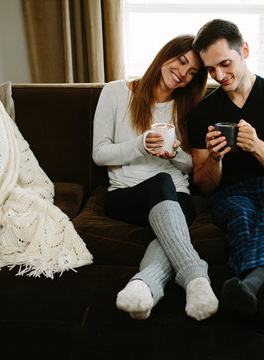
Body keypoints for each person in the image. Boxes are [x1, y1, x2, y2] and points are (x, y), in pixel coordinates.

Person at [188, 19, 264, 338]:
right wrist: (216, 158)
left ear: (244, 51)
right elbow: (203, 186)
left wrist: (257, 147)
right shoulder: (203, 112)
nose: (219, 76)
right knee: (240, 217)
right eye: (211, 69)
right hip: (232, 191)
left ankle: (250, 286)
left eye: (225, 64)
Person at [92, 34, 219, 321]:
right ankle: (196, 276)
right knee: (161, 184)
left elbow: (190, 168)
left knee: (167, 209)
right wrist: (140, 145)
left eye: (192, 73)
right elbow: (99, 154)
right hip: (126, 194)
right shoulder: (115, 93)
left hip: (177, 197)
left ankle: (143, 288)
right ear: (165, 55)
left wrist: (175, 155)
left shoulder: (186, 106)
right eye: (181, 62)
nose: (183, 75)